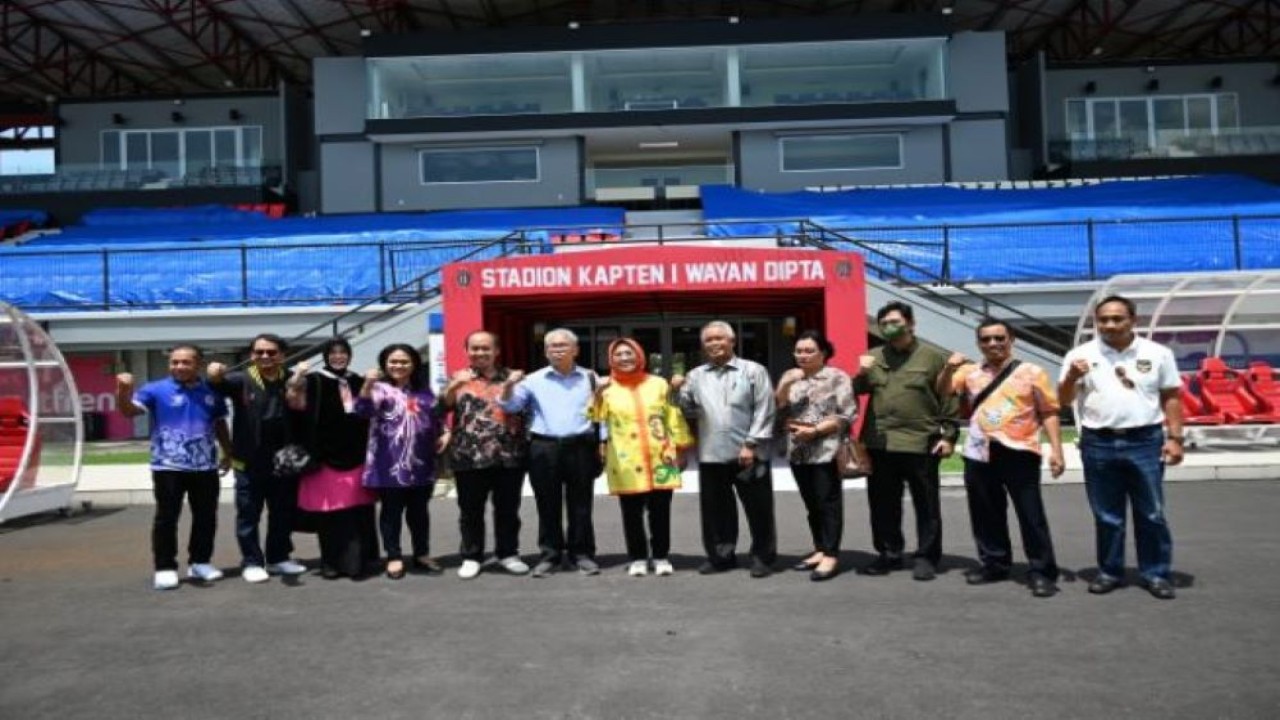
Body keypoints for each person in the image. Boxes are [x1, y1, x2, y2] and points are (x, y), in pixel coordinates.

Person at [1058, 295, 1183, 600]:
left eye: (1117, 319)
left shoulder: (1158, 354)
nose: (1110, 325)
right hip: (1098, 442)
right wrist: (1073, 376)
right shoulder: (1080, 355)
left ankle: (1155, 573)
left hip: (1145, 440)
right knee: (1107, 514)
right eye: (1103, 320)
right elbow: (1062, 400)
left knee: (1151, 513)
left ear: (1133, 321)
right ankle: (1109, 571)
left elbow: (1171, 397)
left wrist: (1175, 438)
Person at [941, 319, 1065, 598]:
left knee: (1031, 515)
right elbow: (944, 391)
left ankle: (1042, 571)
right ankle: (995, 563)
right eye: (986, 340)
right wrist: (949, 368)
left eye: (999, 338)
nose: (993, 344)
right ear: (978, 344)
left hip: (1020, 451)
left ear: (1012, 340)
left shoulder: (1033, 372)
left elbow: (1049, 411)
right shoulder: (969, 373)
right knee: (985, 512)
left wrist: (1056, 449)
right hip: (979, 452)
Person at [852, 302, 959, 581]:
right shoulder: (873, 356)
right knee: (883, 504)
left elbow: (948, 397)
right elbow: (855, 392)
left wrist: (948, 435)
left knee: (926, 504)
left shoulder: (932, 357)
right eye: (884, 322)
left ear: (911, 324)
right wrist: (860, 373)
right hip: (880, 442)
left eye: (895, 321)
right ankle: (888, 553)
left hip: (920, 442)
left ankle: (926, 556)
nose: (889, 326)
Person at [116, 344, 232, 591]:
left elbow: (220, 423)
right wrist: (123, 391)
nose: (179, 366)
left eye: (185, 362)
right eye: (174, 362)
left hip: (205, 466)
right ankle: (165, 567)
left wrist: (228, 452)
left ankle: (200, 562)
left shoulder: (212, 390)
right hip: (168, 466)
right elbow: (128, 412)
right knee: (167, 518)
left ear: (198, 364)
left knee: (206, 517)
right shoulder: (155, 389)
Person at [674, 320, 778, 578]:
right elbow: (687, 409)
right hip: (711, 453)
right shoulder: (696, 375)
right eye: (708, 340)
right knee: (715, 512)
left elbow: (765, 409)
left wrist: (751, 443)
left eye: (719, 338)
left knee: (759, 509)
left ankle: (762, 557)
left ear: (732, 341)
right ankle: (721, 556)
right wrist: (676, 391)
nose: (714, 343)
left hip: (749, 454)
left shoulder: (754, 371)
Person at [499, 328, 601, 578]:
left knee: (581, 504)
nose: (557, 349)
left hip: (581, 445)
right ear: (545, 351)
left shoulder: (590, 378)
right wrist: (509, 385)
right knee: (547, 504)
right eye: (551, 346)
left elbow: (601, 412)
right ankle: (550, 555)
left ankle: (582, 554)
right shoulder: (533, 380)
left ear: (575, 349)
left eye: (562, 345)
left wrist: (603, 444)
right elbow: (510, 405)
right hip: (544, 447)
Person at [208, 334, 308, 583]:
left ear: (282, 355)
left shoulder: (290, 378)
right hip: (249, 460)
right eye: (259, 352)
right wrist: (213, 373)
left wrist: (299, 379)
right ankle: (252, 562)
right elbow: (216, 385)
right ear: (252, 355)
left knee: (282, 513)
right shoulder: (240, 379)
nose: (265, 356)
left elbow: (302, 406)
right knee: (249, 514)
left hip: (284, 459)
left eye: (271, 352)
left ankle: (279, 558)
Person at [592, 337, 693, 577]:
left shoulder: (658, 384)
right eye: (619, 355)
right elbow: (595, 418)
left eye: (630, 353)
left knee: (661, 511)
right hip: (626, 458)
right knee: (631, 512)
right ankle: (637, 556)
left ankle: (660, 556)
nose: (625, 358)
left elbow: (673, 416)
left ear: (639, 356)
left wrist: (680, 449)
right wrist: (597, 393)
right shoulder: (607, 388)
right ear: (611, 359)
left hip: (660, 457)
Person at [285, 338, 379, 580]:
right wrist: (297, 377)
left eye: (343, 352)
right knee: (329, 515)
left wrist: (369, 384)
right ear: (326, 356)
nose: (338, 357)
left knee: (358, 513)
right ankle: (331, 563)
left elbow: (366, 411)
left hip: (357, 456)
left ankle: (360, 562)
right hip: (324, 457)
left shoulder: (357, 380)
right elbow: (294, 402)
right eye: (333, 353)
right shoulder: (314, 380)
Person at [439, 331, 530, 579]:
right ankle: (471, 556)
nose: (480, 353)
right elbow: (442, 407)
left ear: (496, 351)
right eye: (474, 348)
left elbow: (526, 410)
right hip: (468, 455)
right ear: (467, 351)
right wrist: (455, 386)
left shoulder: (513, 377)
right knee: (470, 511)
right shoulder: (457, 378)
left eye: (485, 348)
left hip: (508, 454)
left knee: (508, 510)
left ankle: (508, 553)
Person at [357, 343, 447, 580]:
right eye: (393, 361)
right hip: (389, 463)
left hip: (421, 461)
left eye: (404, 361)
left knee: (419, 512)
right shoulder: (378, 388)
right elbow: (363, 411)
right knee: (391, 513)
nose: (398, 366)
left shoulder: (424, 390)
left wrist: (445, 431)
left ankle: (421, 553)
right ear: (385, 364)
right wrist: (366, 384)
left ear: (414, 364)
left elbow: (436, 417)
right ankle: (394, 556)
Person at [775, 330, 856, 582]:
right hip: (798, 451)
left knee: (828, 503)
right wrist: (786, 384)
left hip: (826, 450)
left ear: (823, 352)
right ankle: (820, 548)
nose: (803, 355)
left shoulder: (837, 377)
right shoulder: (792, 378)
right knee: (811, 504)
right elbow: (778, 408)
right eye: (799, 351)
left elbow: (847, 414)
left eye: (809, 350)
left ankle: (831, 554)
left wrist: (815, 430)